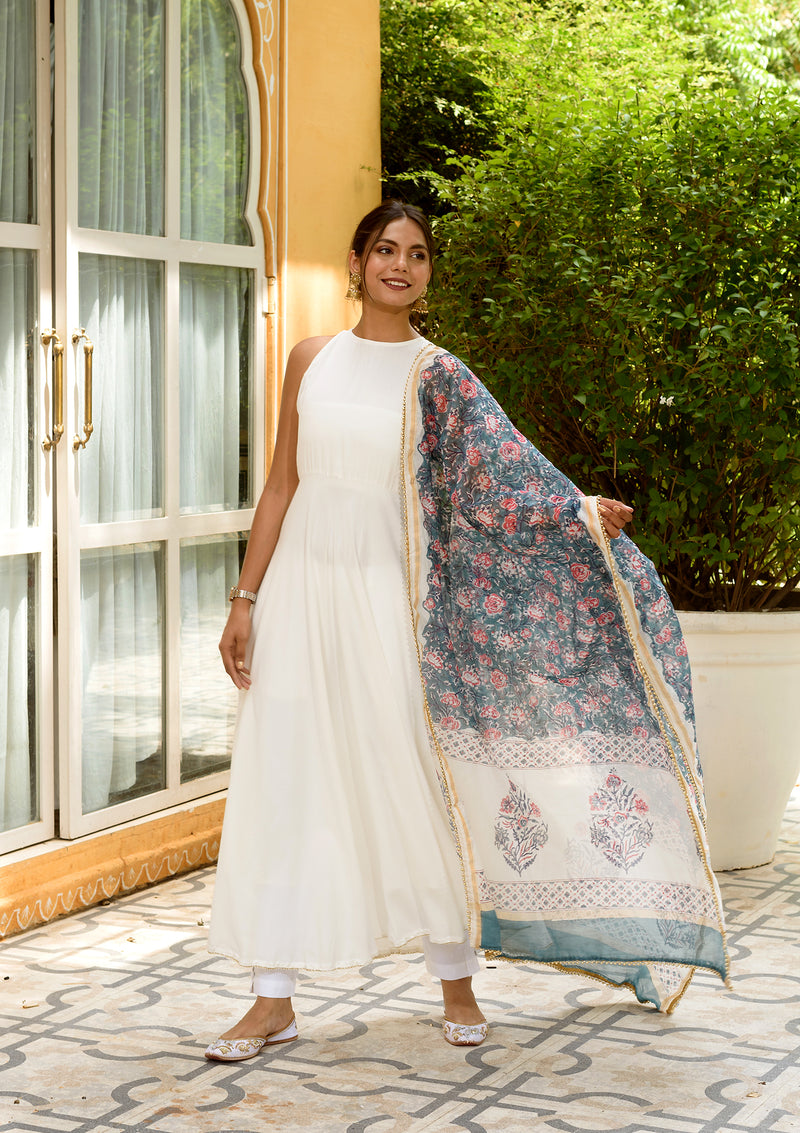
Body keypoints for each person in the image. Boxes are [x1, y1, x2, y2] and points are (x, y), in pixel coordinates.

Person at [205, 201, 727, 1062]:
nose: (399, 266)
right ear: (356, 260)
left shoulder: (439, 374)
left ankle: (455, 978)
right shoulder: (310, 360)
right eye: (384, 250)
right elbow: (280, 485)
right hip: (300, 593)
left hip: (391, 600)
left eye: (415, 254)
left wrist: (576, 512)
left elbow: (497, 484)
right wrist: (244, 597)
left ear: (427, 273)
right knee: (284, 777)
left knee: (413, 773)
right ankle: (272, 998)